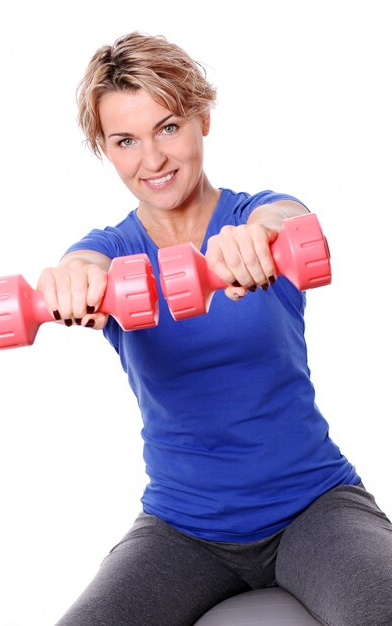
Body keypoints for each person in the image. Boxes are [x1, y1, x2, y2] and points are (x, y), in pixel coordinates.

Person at [39, 32, 392, 626]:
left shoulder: (259, 213)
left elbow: (290, 218)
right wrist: (72, 282)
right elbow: (82, 267)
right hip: (182, 527)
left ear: (202, 118)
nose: (152, 160)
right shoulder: (113, 251)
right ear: (105, 148)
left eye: (169, 128)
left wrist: (262, 237)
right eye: (126, 141)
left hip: (314, 506)